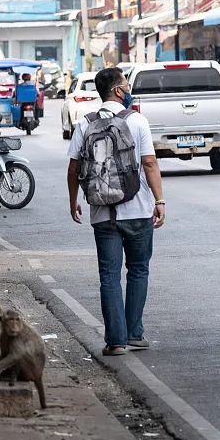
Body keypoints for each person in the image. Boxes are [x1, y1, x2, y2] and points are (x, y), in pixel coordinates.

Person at [66, 67, 165, 357]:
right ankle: (134, 334)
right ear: (119, 91)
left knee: (109, 276)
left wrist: (73, 200)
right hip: (137, 210)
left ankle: (116, 341)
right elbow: (149, 163)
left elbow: (73, 168)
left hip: (102, 213)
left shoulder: (85, 123)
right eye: (126, 84)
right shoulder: (137, 121)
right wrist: (159, 201)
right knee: (138, 269)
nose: (128, 88)